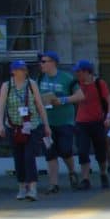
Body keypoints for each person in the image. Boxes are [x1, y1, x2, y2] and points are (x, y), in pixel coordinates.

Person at [0, 59, 52, 201]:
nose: (23, 71)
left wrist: (46, 125)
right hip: (14, 127)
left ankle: (32, 188)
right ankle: (21, 186)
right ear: (13, 71)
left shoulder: (32, 84)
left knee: (29, 156)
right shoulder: (6, 86)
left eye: (24, 69)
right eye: (20, 69)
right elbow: (1, 106)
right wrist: (0, 124)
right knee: (18, 157)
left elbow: (39, 105)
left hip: (31, 126)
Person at [35, 52, 82, 193]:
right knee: (50, 152)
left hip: (64, 121)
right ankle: (53, 184)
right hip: (46, 122)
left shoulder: (67, 78)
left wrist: (62, 100)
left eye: (44, 61)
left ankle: (72, 171)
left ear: (53, 62)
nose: (41, 64)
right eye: (41, 61)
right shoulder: (40, 78)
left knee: (65, 149)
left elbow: (80, 96)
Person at [72, 59, 110, 189]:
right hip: (81, 123)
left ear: (87, 72)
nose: (77, 74)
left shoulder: (99, 83)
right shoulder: (76, 84)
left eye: (79, 72)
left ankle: (103, 173)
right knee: (82, 151)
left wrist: (109, 117)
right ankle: (85, 179)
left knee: (100, 152)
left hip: (97, 122)